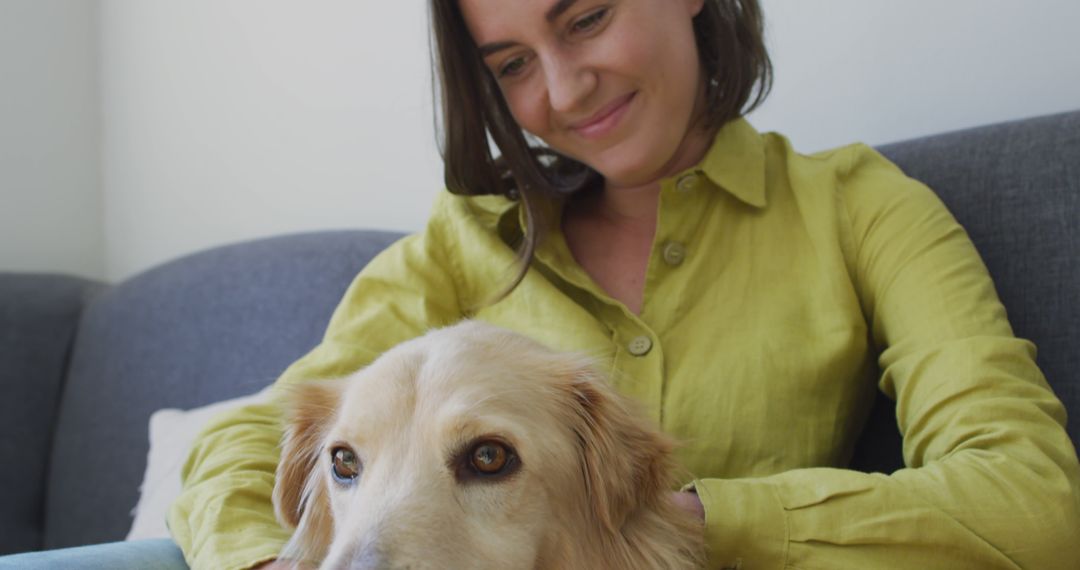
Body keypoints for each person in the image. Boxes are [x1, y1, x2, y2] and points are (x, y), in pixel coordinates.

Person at [3, 1, 1076, 569]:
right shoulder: (457, 247)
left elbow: (1036, 505)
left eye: (586, 16)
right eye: (509, 63)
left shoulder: (861, 207)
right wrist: (262, 562)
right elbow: (249, 443)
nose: (560, 91)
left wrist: (677, 521)